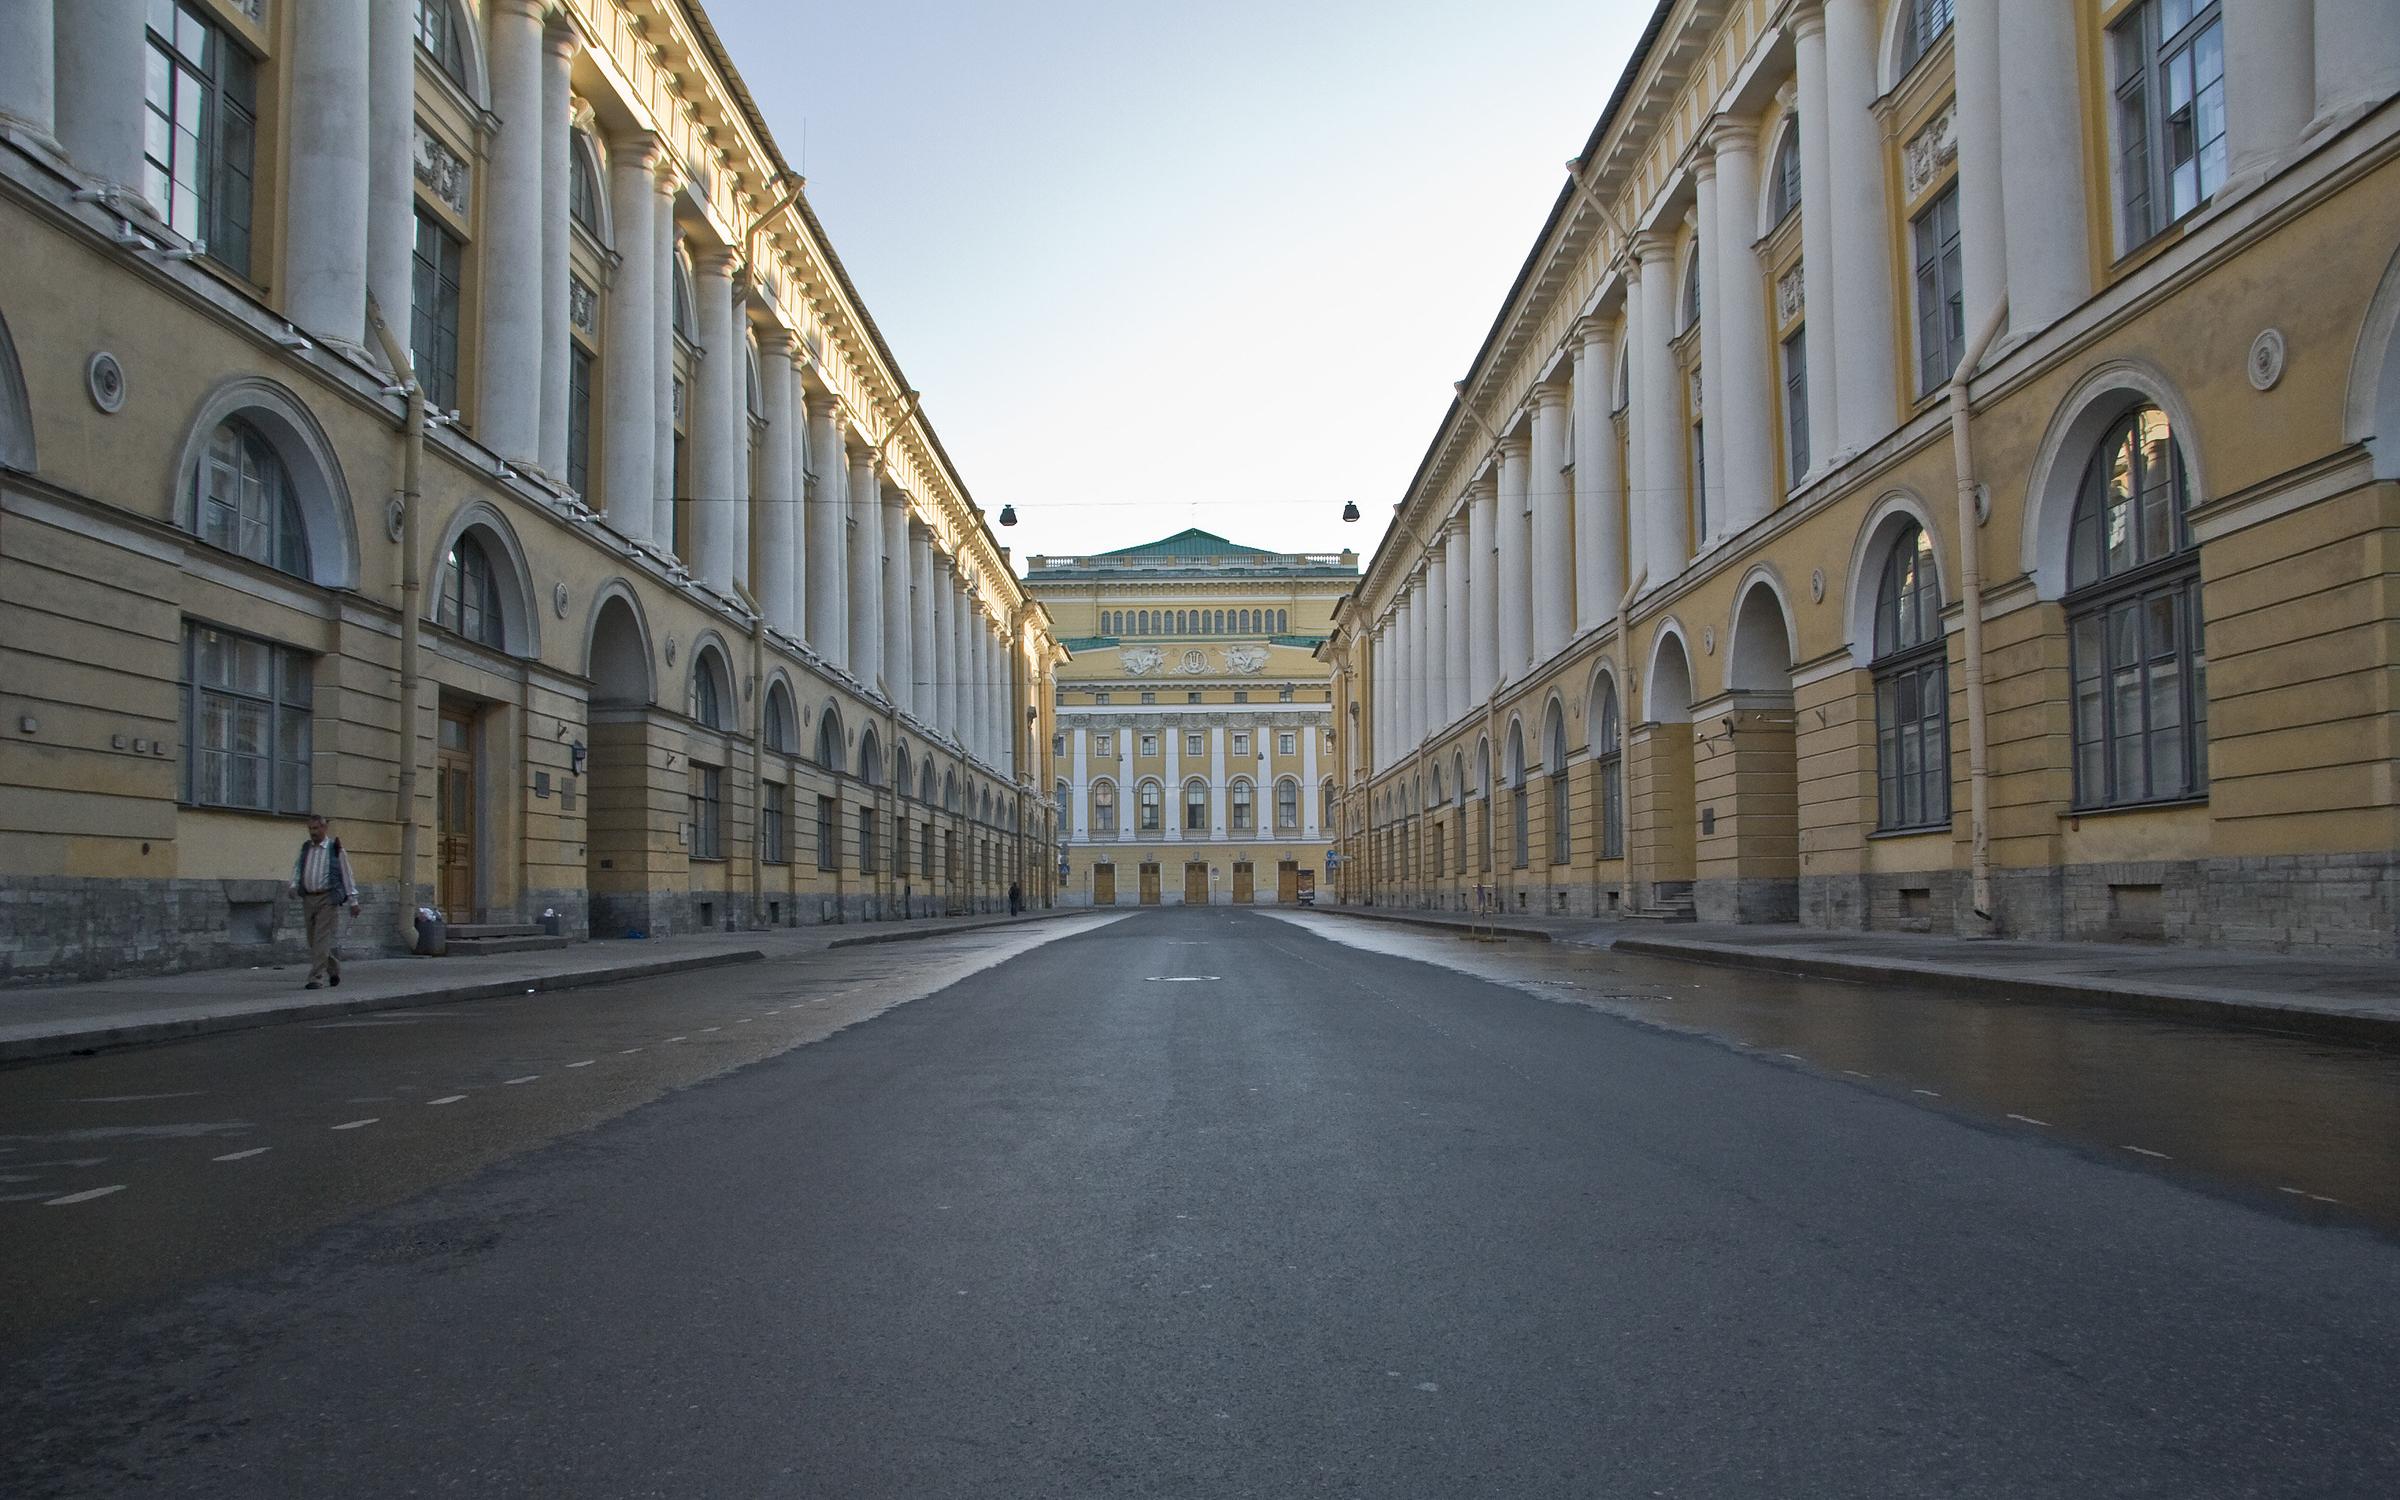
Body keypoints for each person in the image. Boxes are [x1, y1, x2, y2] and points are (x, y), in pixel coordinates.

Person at [290, 814, 360, 989]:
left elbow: (346, 874)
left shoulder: (335, 849)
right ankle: (333, 967)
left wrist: (353, 900)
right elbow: (298, 868)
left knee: (321, 938)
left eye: (316, 828)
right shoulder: (306, 848)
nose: (313, 832)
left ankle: (316, 977)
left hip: (327, 898)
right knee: (313, 941)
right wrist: (293, 885)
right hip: (308, 897)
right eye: (310, 829)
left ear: (324, 828)